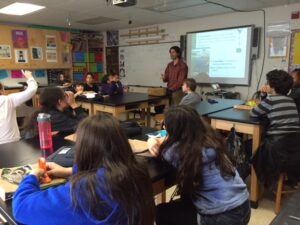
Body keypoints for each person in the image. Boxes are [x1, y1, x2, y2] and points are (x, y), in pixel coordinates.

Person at [13, 114, 155, 225]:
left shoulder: (85, 190)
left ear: (83, 149)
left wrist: (31, 177)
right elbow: (103, 171)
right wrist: (69, 171)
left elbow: (21, 207)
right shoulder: (138, 170)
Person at [148, 106, 250, 225]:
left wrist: (152, 141)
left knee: (161, 212)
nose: (164, 128)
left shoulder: (178, 152)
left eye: (166, 127)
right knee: (187, 198)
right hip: (243, 206)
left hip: (222, 217)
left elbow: (162, 150)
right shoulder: (211, 140)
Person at [250, 69, 300, 186]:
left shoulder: (271, 100)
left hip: (276, 149)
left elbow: (253, 113)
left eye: (267, 83)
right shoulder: (290, 100)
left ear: (272, 86)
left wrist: (263, 95)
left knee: (250, 146)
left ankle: (258, 185)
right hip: (294, 148)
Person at [0, 70, 38, 144]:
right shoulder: (8, 99)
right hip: (10, 142)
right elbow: (32, 90)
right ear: (1, 90)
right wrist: (29, 77)